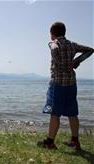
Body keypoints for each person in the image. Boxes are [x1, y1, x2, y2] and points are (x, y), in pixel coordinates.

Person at [38, 22, 94, 150]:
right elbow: (90, 50)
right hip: (71, 83)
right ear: (64, 32)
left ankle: (50, 142)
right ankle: (75, 141)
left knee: (55, 113)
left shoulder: (54, 44)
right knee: (72, 113)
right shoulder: (72, 45)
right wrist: (76, 61)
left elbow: (54, 48)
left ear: (52, 33)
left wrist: (53, 45)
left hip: (58, 83)